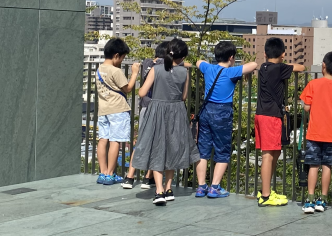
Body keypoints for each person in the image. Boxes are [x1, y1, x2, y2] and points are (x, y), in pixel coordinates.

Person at [131, 39, 201, 205]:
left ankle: (159, 190)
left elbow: (141, 92)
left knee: (157, 148)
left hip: (157, 110)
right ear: (183, 56)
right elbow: (184, 97)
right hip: (177, 111)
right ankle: (169, 188)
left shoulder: (156, 69)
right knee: (172, 148)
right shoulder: (185, 72)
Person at [195, 42, 258, 198]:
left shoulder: (208, 68)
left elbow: (198, 62)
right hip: (222, 113)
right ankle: (214, 187)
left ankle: (201, 186)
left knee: (203, 150)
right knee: (222, 150)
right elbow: (254, 64)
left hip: (206, 111)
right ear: (231, 57)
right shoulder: (232, 72)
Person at [255, 37, 306, 207]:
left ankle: (266, 190)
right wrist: (286, 63)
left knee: (273, 153)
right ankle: (266, 195)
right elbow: (302, 67)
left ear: (265, 53)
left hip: (261, 114)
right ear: (283, 54)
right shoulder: (280, 68)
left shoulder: (263, 67)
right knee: (268, 155)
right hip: (271, 116)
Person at [300, 51, 332, 213]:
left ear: (323, 66)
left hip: (314, 132)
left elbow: (306, 106)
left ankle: (310, 200)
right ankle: (323, 200)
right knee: (327, 166)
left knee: (313, 165)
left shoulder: (313, 84)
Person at [95, 38, 140, 185]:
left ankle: (102, 173)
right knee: (116, 141)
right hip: (118, 110)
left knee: (103, 139)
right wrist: (134, 73)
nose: (122, 60)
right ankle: (110, 174)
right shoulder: (116, 71)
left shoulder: (99, 69)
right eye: (122, 57)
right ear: (116, 55)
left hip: (103, 110)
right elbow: (127, 88)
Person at [122, 49, 163, 190]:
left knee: (141, 143)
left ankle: (129, 177)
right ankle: (147, 178)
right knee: (156, 143)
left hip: (144, 106)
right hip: (157, 107)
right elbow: (182, 64)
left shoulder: (146, 62)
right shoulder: (163, 65)